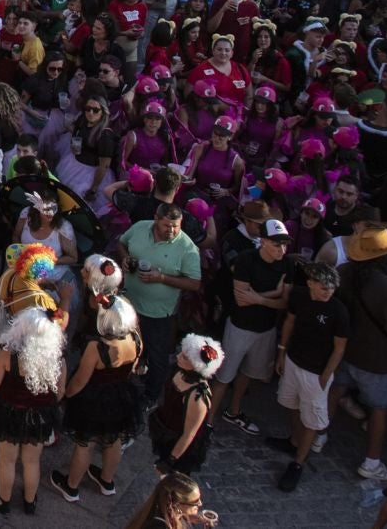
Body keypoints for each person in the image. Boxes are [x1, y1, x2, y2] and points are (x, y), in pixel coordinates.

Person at [53, 256, 143, 503]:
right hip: (122, 395)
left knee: (86, 443)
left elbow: (80, 380)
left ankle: (71, 486)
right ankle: (107, 481)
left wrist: (66, 394)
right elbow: (134, 367)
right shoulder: (135, 339)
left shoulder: (96, 347)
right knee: (113, 438)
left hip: (94, 397)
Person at [337, 224, 387, 482]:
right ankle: (372, 462)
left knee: (335, 392)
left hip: (343, 350)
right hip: (377, 360)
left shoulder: (342, 272)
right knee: (380, 409)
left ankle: (317, 438)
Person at [273, 260, 351, 492]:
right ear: (311, 284)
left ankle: (299, 463)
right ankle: (294, 442)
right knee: (291, 404)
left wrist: (326, 375)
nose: (328, 292)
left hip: (316, 372)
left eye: (331, 288)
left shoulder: (339, 311)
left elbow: (339, 347)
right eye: (323, 287)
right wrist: (281, 353)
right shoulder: (299, 297)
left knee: (312, 419)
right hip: (294, 361)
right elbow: (290, 322)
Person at [210, 215, 292, 434]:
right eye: (276, 244)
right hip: (239, 327)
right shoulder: (246, 260)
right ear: (263, 241)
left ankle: (233, 412)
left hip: (266, 330)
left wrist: (261, 298)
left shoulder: (287, 263)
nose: (281, 250)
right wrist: (273, 294)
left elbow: (285, 302)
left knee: (248, 373)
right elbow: (242, 299)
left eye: (284, 244)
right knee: (223, 376)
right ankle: (206, 423)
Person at [0, 306, 67, 515]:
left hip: (10, 413)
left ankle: (4, 500)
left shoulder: (8, 355)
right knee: (32, 461)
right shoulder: (58, 359)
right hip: (40, 415)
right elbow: (59, 392)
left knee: (7, 461)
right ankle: (30, 501)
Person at [119, 201, 203, 403]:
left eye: (176, 225)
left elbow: (194, 283)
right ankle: (123, 387)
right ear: (156, 219)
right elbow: (122, 243)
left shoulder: (188, 248)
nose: (172, 230)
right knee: (126, 349)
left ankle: (151, 396)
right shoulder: (140, 228)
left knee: (158, 358)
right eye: (167, 225)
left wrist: (162, 278)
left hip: (159, 315)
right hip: (129, 306)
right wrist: (125, 258)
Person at [148, 334, 221, 477]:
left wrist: (170, 461)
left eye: (186, 357)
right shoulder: (179, 370)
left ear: (196, 365)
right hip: (165, 431)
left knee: (175, 482)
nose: (179, 356)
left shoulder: (197, 396)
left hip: (180, 444)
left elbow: (189, 434)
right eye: (182, 352)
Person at [124, 472, 214, 529]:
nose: (200, 504)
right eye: (195, 502)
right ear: (177, 504)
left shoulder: (166, 511)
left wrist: (186, 517)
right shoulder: (159, 526)